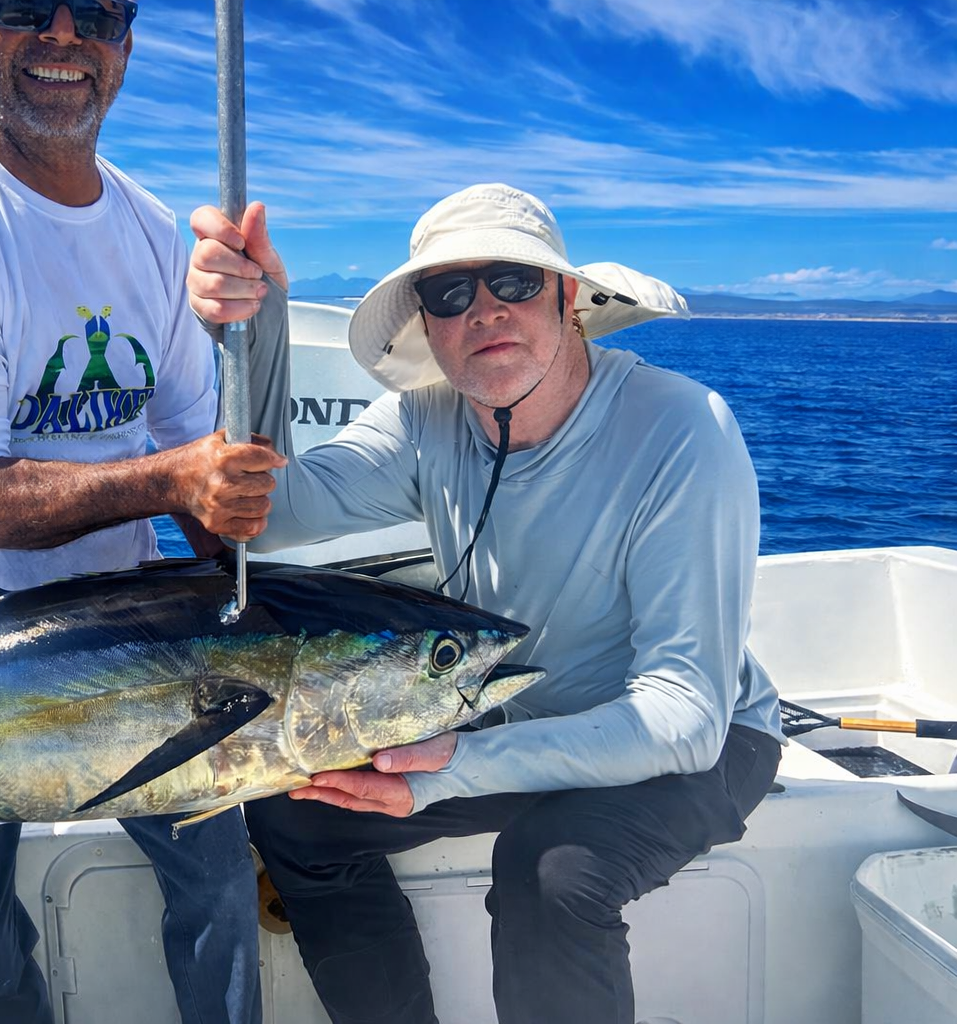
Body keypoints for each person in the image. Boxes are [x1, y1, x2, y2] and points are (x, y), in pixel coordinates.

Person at [185, 183, 785, 1024]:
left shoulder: (681, 429)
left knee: (551, 869)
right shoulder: (426, 422)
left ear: (569, 298)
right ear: (427, 323)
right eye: (451, 293)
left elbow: (683, 718)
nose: (486, 311)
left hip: (709, 743)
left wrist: (451, 771)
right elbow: (269, 519)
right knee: (302, 816)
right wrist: (260, 323)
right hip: (519, 718)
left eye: (514, 281)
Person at [0, 3, 283, 1022]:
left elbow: (193, 440)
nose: (62, 34)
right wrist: (177, 480)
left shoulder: (146, 225)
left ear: (124, 46)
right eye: (23, 6)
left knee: (213, 870)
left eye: (98, 12)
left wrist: (259, 592)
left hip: (124, 621)